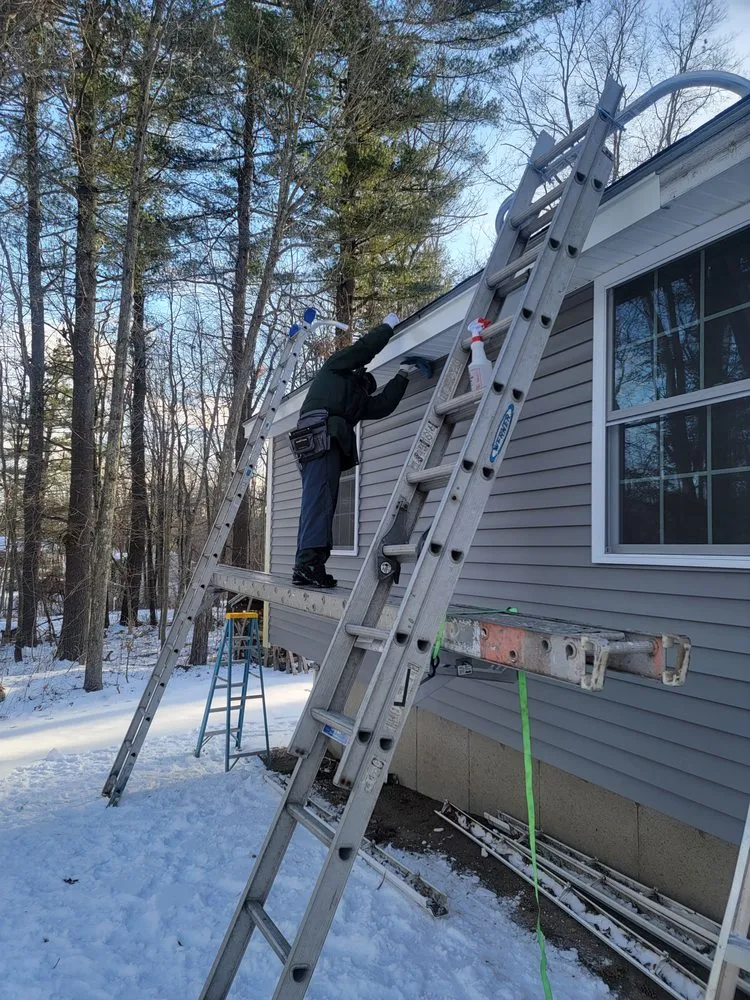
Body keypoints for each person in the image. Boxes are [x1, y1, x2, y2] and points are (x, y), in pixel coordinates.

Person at [290, 313, 432, 589]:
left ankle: (310, 565)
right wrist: (387, 326)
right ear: (358, 375)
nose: (366, 389)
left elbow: (382, 406)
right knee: (319, 503)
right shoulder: (335, 370)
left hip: (320, 441)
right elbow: (363, 350)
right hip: (320, 435)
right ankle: (307, 566)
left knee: (320, 504)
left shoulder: (355, 401)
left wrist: (403, 374)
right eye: (365, 383)